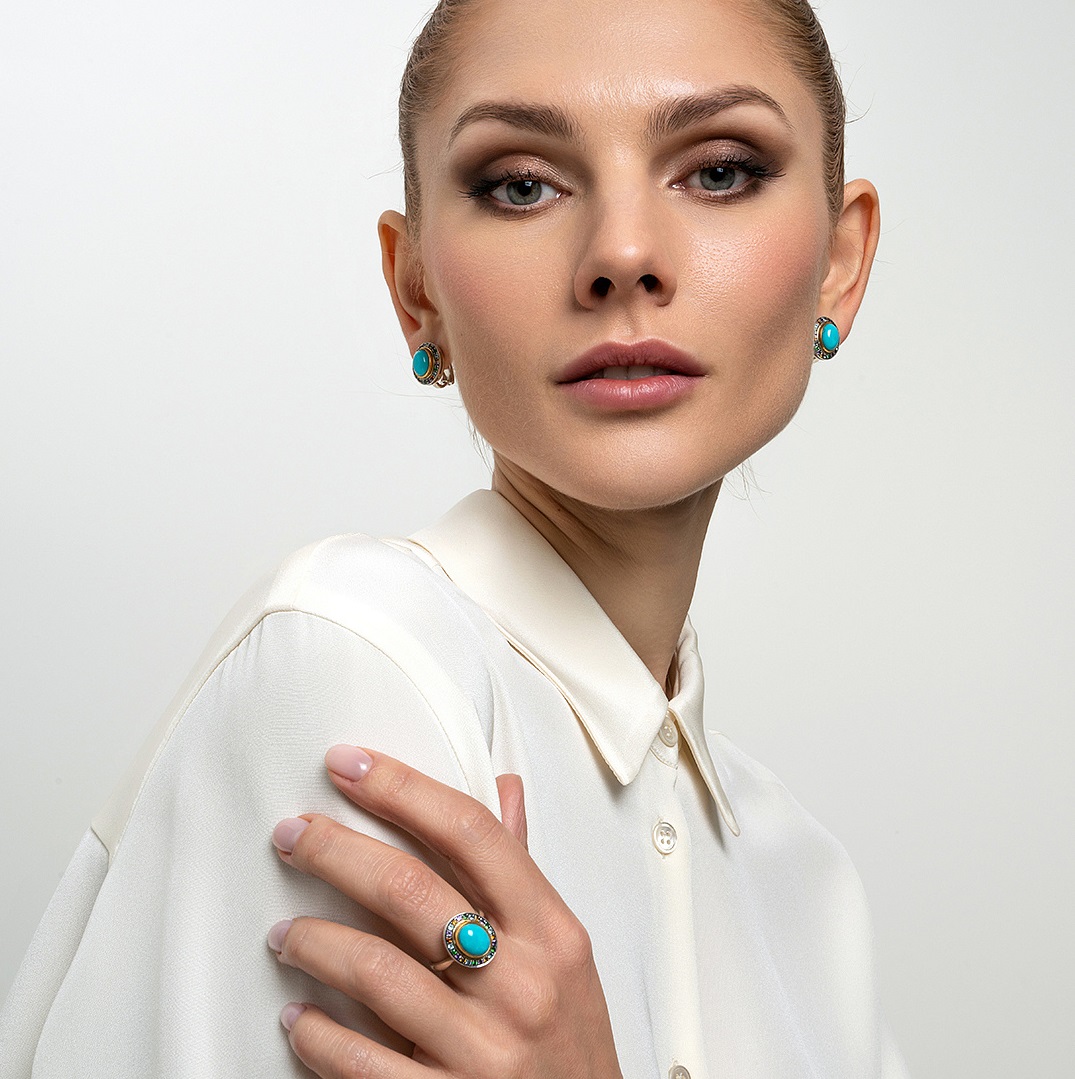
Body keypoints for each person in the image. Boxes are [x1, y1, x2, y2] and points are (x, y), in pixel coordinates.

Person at [0, 0, 903, 1075]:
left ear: (839, 263)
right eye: (521, 184)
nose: (622, 254)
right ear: (415, 287)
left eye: (718, 171)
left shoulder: (809, 888)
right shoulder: (361, 659)